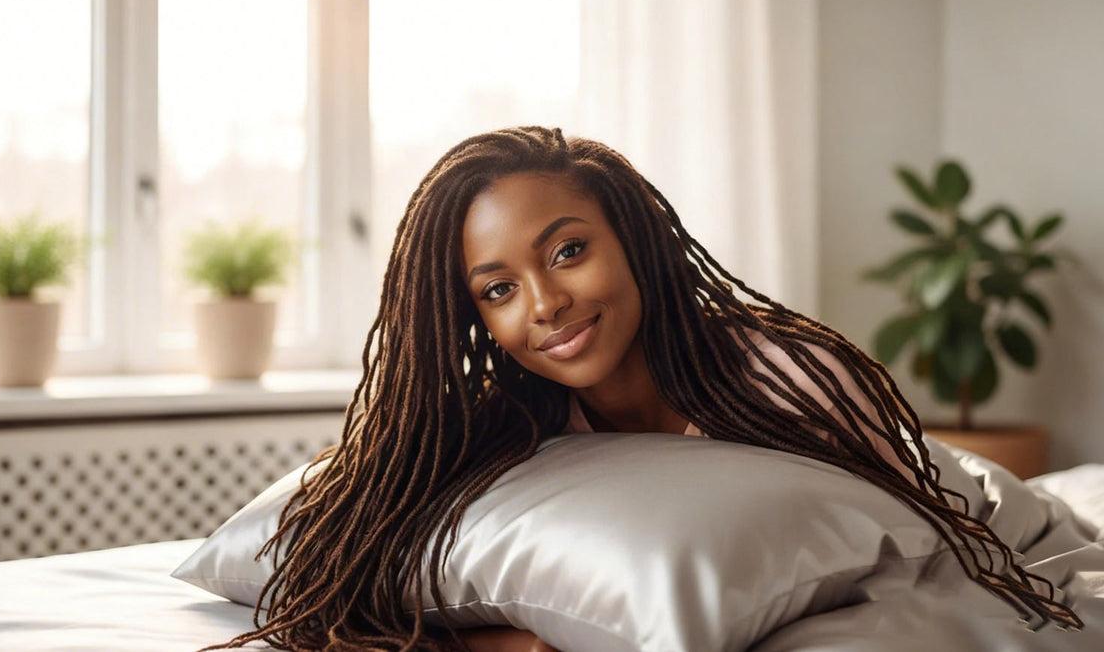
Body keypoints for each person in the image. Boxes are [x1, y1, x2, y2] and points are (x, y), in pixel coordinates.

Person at [210, 127, 1081, 652]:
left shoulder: (791, 377)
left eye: (567, 251)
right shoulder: (510, 421)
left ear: (632, 239)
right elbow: (332, 560)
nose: (546, 304)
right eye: (498, 289)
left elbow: (930, 547)